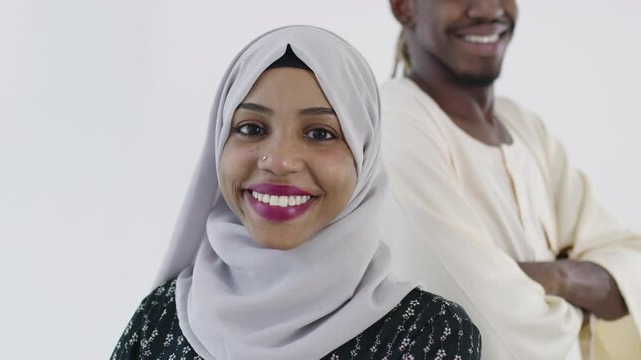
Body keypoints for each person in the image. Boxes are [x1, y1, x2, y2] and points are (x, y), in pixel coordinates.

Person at [110, 25, 481, 360]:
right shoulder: (160, 318)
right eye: (252, 128)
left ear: (364, 156)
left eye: (320, 133)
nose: (279, 161)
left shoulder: (427, 335)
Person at [381, 0, 641, 359]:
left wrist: (554, 278)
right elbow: (481, 319)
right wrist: (582, 299)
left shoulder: (524, 127)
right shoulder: (396, 124)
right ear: (404, 7)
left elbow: (632, 269)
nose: (488, 8)